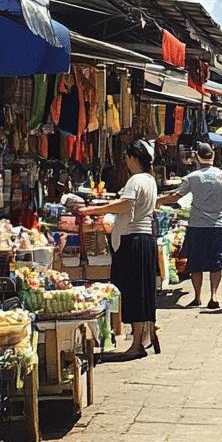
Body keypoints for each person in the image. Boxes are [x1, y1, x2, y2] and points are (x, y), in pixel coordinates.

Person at [85, 141, 160, 358]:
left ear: (133, 158)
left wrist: (96, 208)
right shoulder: (150, 180)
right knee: (141, 291)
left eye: (127, 158)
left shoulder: (136, 180)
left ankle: (136, 344)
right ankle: (141, 339)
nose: (126, 162)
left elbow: (126, 205)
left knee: (133, 291)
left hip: (133, 241)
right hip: (143, 240)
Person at [160, 142, 222, 309]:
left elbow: (176, 196)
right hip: (218, 224)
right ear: (213, 156)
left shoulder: (192, 177)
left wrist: (157, 200)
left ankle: (197, 297)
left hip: (197, 225)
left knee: (195, 263)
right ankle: (214, 295)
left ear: (196, 157)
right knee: (216, 262)